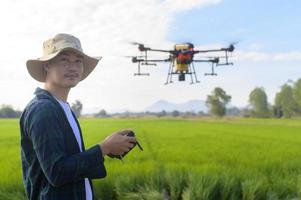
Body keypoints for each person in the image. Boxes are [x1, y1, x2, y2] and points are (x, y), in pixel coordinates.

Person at [20, 33, 136, 200]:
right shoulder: (43, 109)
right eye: (64, 60)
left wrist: (109, 146)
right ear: (47, 65)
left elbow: (68, 161)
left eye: (78, 61)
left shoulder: (62, 107)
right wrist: (104, 148)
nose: (73, 67)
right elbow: (57, 171)